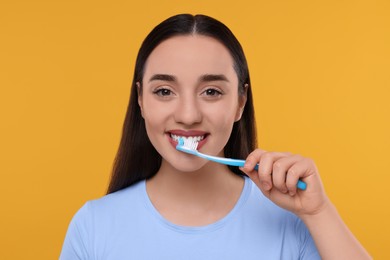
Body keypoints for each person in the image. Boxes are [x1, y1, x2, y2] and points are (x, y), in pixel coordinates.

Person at [60, 14, 371, 259]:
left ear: (240, 102)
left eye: (211, 91)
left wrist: (319, 213)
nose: (188, 114)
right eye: (164, 91)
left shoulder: (293, 221)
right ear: (140, 100)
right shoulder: (94, 226)